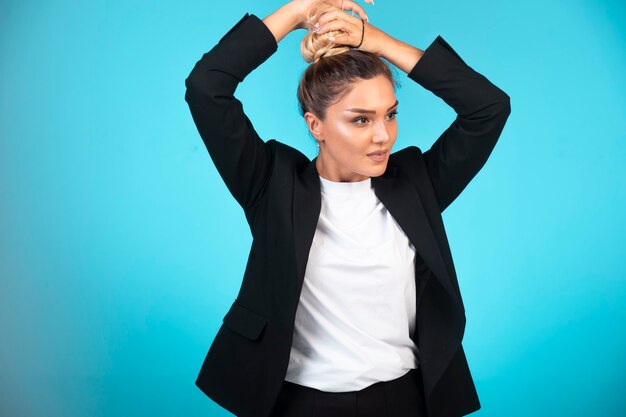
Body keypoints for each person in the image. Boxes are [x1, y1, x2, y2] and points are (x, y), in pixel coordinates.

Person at [184, 1, 511, 416]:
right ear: (314, 125)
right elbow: (206, 86)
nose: (383, 137)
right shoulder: (272, 185)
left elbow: (489, 108)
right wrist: (298, 11)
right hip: (299, 404)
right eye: (361, 120)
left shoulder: (416, 185)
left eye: (390, 115)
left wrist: (378, 43)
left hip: (404, 400)